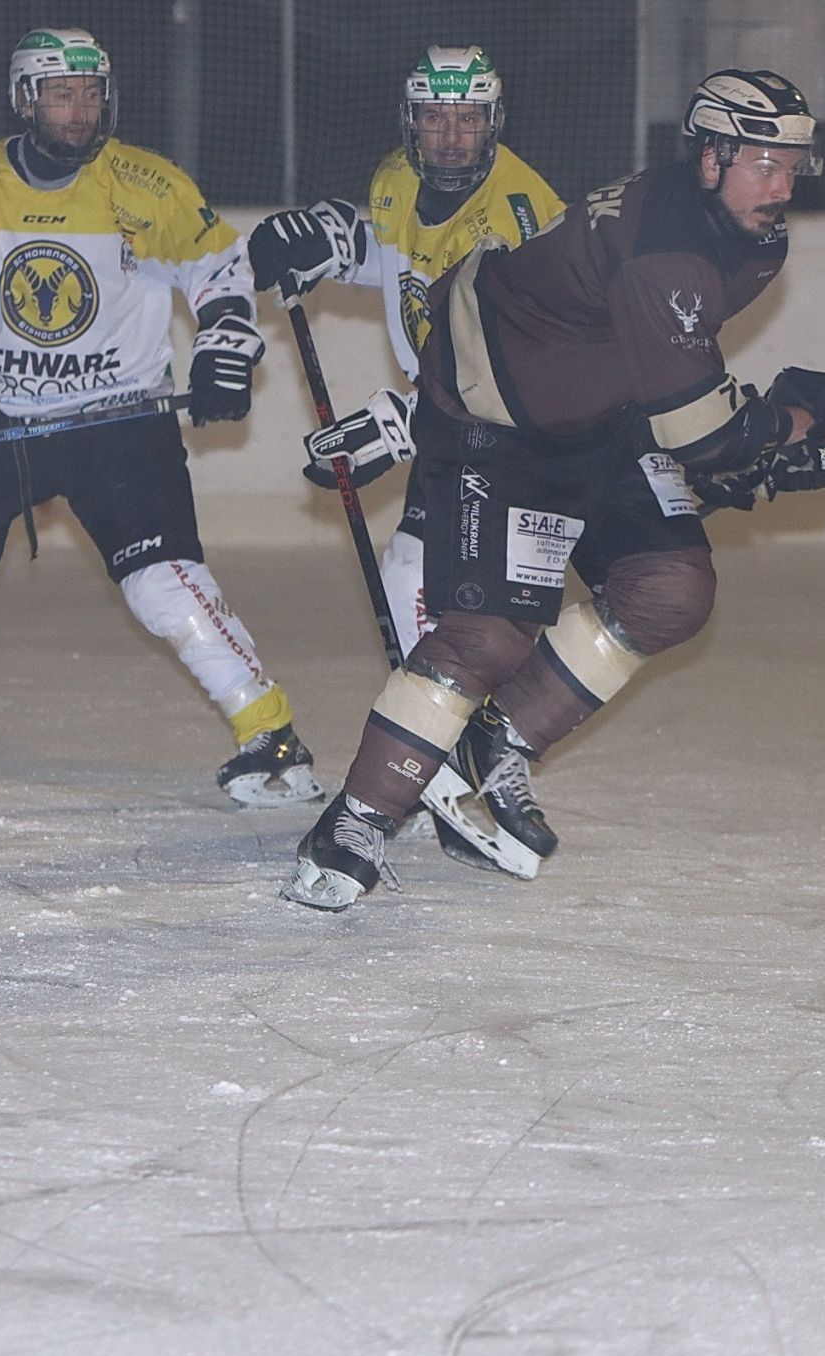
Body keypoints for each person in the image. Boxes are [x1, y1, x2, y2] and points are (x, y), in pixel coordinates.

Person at [281, 70, 825, 909]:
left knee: (671, 588)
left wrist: (733, 440)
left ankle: (499, 737)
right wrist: (787, 426)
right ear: (710, 158)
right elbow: (700, 428)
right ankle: (357, 818)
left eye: (793, 167)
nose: (783, 187)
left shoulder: (744, 233)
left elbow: (662, 369)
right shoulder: (671, 249)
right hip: (494, 418)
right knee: (484, 640)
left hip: (596, 413)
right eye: (766, 164)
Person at [0, 28, 323, 809]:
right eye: (61, 95)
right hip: (4, 414)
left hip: (120, 421)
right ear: (24, 100)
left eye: (90, 94)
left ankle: (270, 731)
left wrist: (225, 340)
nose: (80, 110)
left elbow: (220, 265)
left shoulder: (147, 185)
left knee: (166, 590)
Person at [245, 44, 564, 864]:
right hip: (452, 426)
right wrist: (332, 241)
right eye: (435, 118)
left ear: (494, 122)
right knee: (411, 580)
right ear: (410, 121)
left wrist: (400, 423)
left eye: (467, 119)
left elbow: (528, 370)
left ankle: (491, 755)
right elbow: (399, 261)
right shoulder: (394, 179)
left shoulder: (523, 215)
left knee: (487, 610)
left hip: (523, 440)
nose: (451, 137)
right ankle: (446, 755)